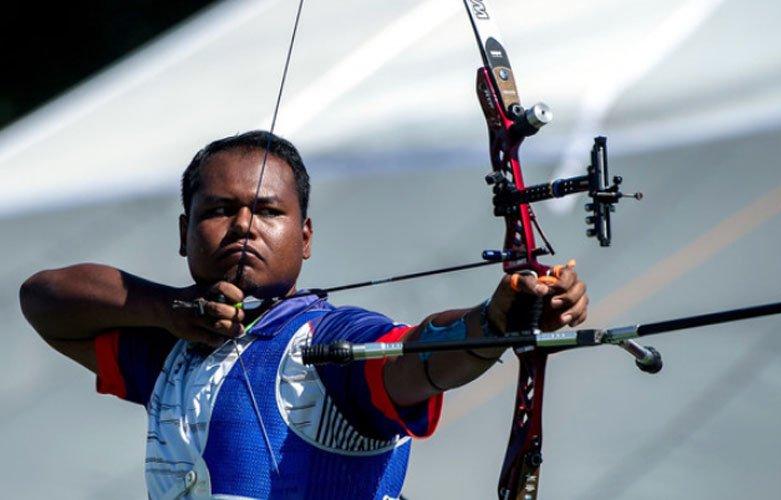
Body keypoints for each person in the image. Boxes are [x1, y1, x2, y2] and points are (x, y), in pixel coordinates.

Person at [19, 130, 588, 499]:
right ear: (184, 232)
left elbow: (414, 356)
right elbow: (44, 299)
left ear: (306, 236)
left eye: (268, 211)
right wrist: (165, 310)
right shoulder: (169, 348)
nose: (243, 225)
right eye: (218, 210)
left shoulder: (327, 339)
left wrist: (492, 322)